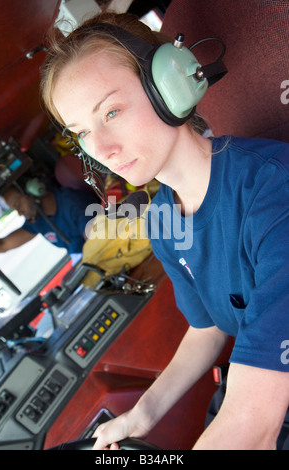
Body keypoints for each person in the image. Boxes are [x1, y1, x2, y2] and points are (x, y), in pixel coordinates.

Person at [40, 12, 289, 450]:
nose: (101, 150)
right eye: (81, 133)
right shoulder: (162, 220)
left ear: (169, 87)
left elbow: (252, 430)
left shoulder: (272, 190)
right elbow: (207, 328)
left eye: (111, 112)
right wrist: (141, 415)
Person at [0, 184, 99, 256]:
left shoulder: (74, 203)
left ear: (32, 191)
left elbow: (97, 243)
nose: (20, 213)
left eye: (18, 205)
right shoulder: (37, 221)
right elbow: (3, 244)